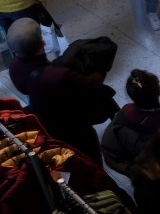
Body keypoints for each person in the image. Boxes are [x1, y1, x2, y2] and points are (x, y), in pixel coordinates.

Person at [7, 18, 118, 165]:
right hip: (72, 128)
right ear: (43, 42)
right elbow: (92, 84)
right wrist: (100, 68)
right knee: (90, 159)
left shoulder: (14, 65)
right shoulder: (59, 75)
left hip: (43, 121)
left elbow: (25, 89)